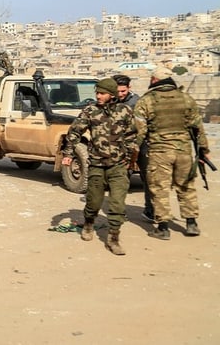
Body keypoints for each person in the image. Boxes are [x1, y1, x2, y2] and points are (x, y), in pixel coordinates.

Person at [61, 77, 137, 255]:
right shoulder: (90, 111)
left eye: (102, 93)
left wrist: (127, 154)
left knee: (117, 203)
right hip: (96, 164)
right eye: (97, 93)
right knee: (94, 201)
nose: (98, 96)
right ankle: (88, 223)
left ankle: (114, 238)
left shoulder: (125, 111)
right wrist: (68, 154)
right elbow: (75, 132)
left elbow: (132, 134)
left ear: (111, 94)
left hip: (118, 165)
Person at [133, 66, 211, 240]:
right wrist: (204, 151)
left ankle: (163, 227)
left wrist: (133, 152)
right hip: (183, 151)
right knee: (186, 186)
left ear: (154, 80)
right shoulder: (186, 99)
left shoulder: (146, 101)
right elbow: (198, 128)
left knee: (160, 189)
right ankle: (191, 223)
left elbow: (140, 132)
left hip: (159, 152)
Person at [113, 74, 152, 221]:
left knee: (148, 178)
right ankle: (118, 211)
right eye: (118, 91)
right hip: (121, 146)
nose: (121, 94)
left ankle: (150, 210)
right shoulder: (111, 101)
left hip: (140, 145)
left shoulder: (138, 102)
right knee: (120, 179)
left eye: (124, 91)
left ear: (129, 88)